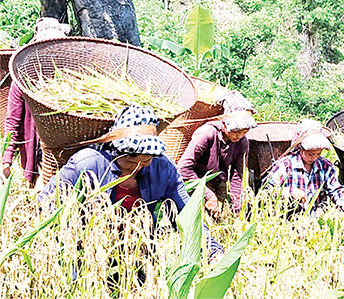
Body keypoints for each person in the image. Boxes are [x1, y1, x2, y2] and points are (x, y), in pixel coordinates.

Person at [37, 105, 224, 260]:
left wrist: (212, 251)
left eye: (145, 162)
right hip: (87, 251)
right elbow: (46, 203)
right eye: (130, 162)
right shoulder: (88, 163)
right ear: (117, 150)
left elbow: (187, 214)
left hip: (136, 251)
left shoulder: (163, 168)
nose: (136, 168)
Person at [2, 17, 70, 186]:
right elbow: (13, 122)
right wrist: (6, 160)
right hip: (36, 155)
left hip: (65, 156)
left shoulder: (71, 80)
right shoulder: (22, 81)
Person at [178, 91, 256, 216]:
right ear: (224, 124)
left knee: (223, 218)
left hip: (219, 181)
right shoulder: (206, 134)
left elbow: (238, 176)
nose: (239, 136)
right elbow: (183, 168)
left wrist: (237, 209)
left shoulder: (242, 142)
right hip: (195, 180)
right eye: (236, 131)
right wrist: (207, 195)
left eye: (244, 132)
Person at [263, 119, 344, 214]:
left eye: (318, 154)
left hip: (315, 217)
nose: (314, 158)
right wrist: (290, 191)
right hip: (289, 217)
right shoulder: (286, 165)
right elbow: (267, 190)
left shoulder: (325, 166)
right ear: (300, 148)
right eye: (310, 154)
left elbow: (336, 190)